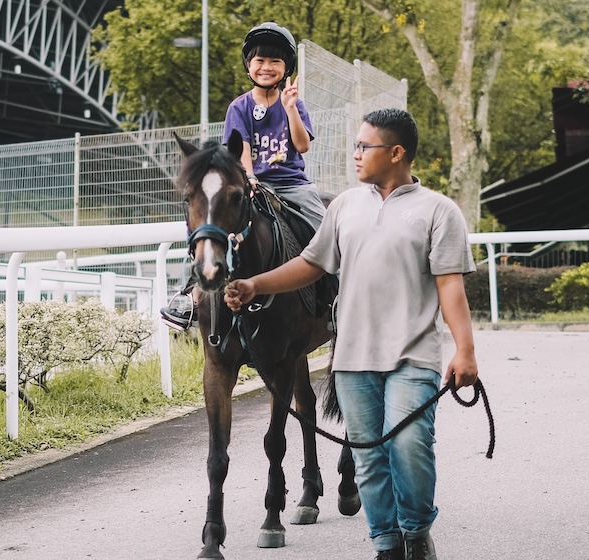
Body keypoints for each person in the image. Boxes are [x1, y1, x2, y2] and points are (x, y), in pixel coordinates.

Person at [224, 108, 479, 560]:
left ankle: (416, 532)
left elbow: (450, 287)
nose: (355, 154)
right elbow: (312, 263)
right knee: (368, 456)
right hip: (353, 360)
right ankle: (386, 544)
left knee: (409, 445)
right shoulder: (344, 205)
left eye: (365, 146)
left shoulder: (439, 211)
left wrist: (465, 352)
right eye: (356, 145)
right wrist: (255, 284)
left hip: (412, 355)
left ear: (396, 153)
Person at [161, 21, 327, 330]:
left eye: (275, 61)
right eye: (260, 60)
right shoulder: (239, 107)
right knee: (213, 224)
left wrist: (290, 108)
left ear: (286, 67)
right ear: (248, 65)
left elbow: (302, 146)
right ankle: (190, 295)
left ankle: (336, 291)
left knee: (325, 229)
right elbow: (242, 151)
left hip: (293, 186)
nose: (267, 67)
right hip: (252, 183)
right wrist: (249, 179)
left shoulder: (295, 104)